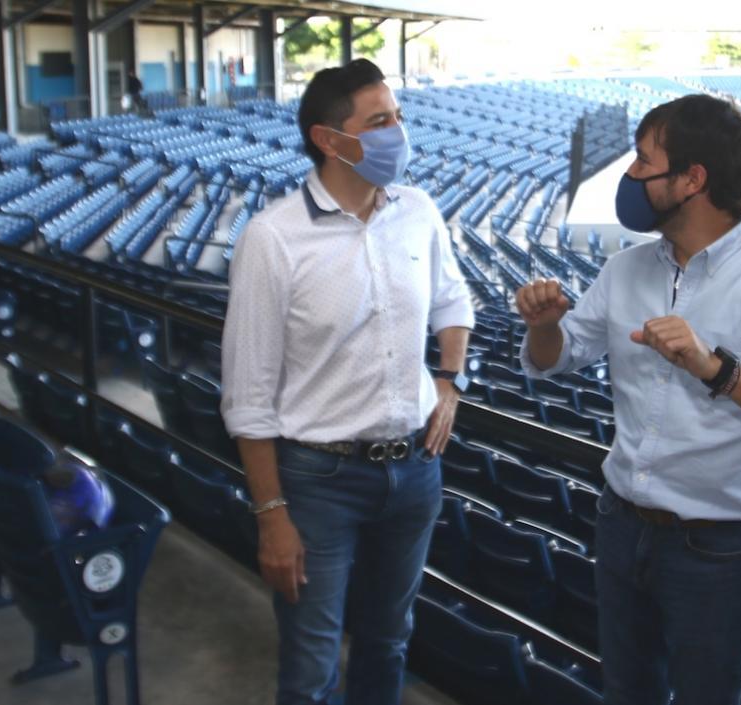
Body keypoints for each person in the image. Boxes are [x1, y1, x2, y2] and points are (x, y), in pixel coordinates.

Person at [514, 94, 741, 705]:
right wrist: (542, 325)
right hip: (620, 524)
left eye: (645, 162)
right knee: (626, 691)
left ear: (692, 180)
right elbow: (553, 360)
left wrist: (715, 368)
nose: (631, 176)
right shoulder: (626, 269)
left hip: (717, 547)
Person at [220, 59, 473, 705]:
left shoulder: (418, 210)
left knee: (389, 641)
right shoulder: (274, 237)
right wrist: (271, 514)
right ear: (330, 140)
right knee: (311, 664)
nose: (399, 131)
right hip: (318, 482)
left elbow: (453, 302)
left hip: (416, 468)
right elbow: (249, 395)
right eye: (380, 120)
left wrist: (448, 379)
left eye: (399, 116)